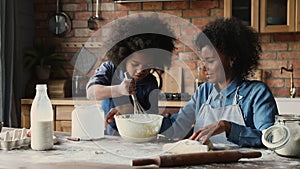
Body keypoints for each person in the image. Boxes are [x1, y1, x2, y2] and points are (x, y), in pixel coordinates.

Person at [161, 17, 278, 147]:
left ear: (232, 59)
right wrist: (144, 120)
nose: (204, 67)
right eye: (203, 61)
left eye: (210, 61)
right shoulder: (203, 92)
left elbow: (270, 138)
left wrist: (227, 127)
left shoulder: (256, 93)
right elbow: (177, 126)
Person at [86, 13, 176, 135]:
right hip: (111, 139)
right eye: (135, 64)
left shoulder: (151, 82)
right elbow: (91, 92)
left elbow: (152, 119)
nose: (140, 70)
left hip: (139, 139)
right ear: (123, 56)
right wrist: (118, 90)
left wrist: (131, 111)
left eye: (147, 66)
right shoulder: (110, 69)